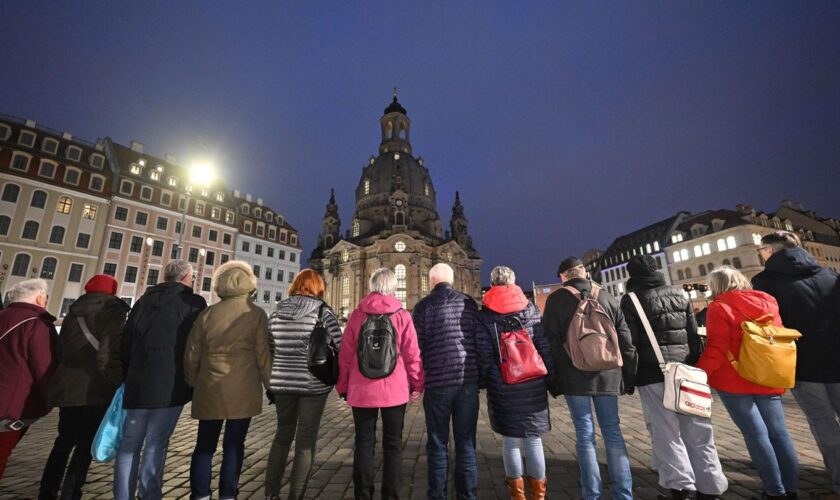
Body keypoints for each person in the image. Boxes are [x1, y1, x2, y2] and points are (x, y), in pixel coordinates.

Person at [619, 255, 727, 500]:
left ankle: (681, 488)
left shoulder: (632, 299)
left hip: (653, 373)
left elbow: (630, 344)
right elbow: (692, 332)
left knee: (666, 433)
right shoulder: (678, 293)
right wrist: (695, 365)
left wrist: (630, 378)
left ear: (632, 275)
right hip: (686, 370)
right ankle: (711, 488)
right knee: (699, 432)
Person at [697, 266, 799, 499]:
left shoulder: (719, 307)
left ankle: (774, 490)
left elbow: (717, 348)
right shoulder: (769, 301)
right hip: (768, 373)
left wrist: (701, 373)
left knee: (756, 435)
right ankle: (791, 488)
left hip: (735, 380)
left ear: (718, 286)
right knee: (779, 433)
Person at [752, 231, 840, 494]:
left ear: (769, 251)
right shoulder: (830, 275)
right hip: (837, 356)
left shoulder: (765, 280)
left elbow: (767, 325)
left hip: (801, 362)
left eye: (762, 251)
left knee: (823, 421)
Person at [542, 257, 637, 500]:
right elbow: (625, 340)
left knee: (585, 436)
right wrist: (628, 375)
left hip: (574, 376)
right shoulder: (605, 296)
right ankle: (623, 494)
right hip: (609, 373)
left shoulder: (556, 299)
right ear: (584, 272)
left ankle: (591, 494)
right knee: (613, 434)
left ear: (563, 277)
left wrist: (553, 379)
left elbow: (550, 343)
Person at [114, 260, 207, 500]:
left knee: (129, 445)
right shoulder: (194, 303)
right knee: (156, 442)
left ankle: (122, 496)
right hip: (171, 382)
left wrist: (129, 373)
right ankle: (150, 495)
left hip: (138, 380)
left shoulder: (142, 301)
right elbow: (196, 345)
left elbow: (126, 342)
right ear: (187, 277)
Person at [184, 260, 271, 500]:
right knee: (234, 446)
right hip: (242, 387)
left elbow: (192, 353)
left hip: (210, 385)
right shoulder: (255, 314)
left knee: (204, 446)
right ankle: (228, 494)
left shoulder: (208, 313)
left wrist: (193, 382)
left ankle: (200, 494)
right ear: (249, 285)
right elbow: (263, 355)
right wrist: (269, 385)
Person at [336, 267, 424, 500]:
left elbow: (345, 355)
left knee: (363, 443)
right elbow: (413, 354)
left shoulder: (357, 315)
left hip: (362, 390)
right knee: (393, 445)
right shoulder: (403, 315)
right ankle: (391, 495)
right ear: (393, 287)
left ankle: (363, 495)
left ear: (372, 286)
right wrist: (417, 384)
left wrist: (343, 386)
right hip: (395, 391)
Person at [40, 274, 130, 500]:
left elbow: (61, 350)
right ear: (112, 290)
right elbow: (108, 354)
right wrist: (118, 382)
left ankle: (47, 490)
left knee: (63, 441)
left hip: (68, 386)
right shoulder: (112, 311)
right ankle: (71, 491)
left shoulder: (73, 311)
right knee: (85, 443)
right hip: (95, 387)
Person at [264, 269, 342, 500]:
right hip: (312, 385)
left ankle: (270, 493)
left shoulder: (276, 313)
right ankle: (295, 496)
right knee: (306, 442)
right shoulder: (322, 312)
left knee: (281, 437)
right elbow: (341, 344)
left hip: (281, 385)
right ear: (317, 288)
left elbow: (270, 349)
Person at [475, 266, 552, 500]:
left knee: (510, 441)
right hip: (533, 381)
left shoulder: (485, 314)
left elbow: (483, 353)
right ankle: (538, 496)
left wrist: (485, 380)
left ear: (493, 283)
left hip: (503, 382)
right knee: (534, 439)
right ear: (514, 281)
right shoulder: (531, 309)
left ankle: (517, 496)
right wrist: (552, 378)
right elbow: (544, 346)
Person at [412, 263, 479, 500]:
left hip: (437, 383)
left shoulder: (422, 307)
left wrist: (417, 383)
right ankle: (467, 496)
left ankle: (437, 496)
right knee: (466, 443)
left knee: (438, 444)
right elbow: (478, 340)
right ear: (453, 280)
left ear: (431, 282)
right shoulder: (468, 302)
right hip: (467, 381)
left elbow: (416, 348)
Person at [0, 279, 58, 480]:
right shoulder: (37, 324)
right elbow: (43, 367)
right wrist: (51, 398)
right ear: (41, 298)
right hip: (12, 406)